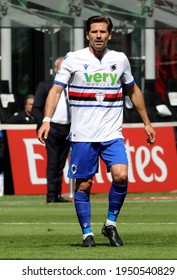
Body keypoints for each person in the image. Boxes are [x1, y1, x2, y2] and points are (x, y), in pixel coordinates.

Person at [37, 15, 156, 247]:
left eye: (103, 32)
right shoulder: (73, 59)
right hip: (83, 135)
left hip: (112, 134)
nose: (99, 35)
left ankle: (110, 224)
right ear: (87, 35)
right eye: (94, 32)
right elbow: (56, 90)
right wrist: (47, 119)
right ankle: (87, 233)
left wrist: (147, 122)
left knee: (121, 175)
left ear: (110, 35)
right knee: (84, 185)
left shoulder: (120, 59)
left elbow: (133, 90)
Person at [32, 57, 71, 203]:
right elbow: (35, 108)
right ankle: (51, 195)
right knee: (53, 162)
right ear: (55, 70)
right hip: (52, 126)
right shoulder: (46, 85)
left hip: (68, 128)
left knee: (61, 162)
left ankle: (57, 194)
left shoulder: (72, 85)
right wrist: (44, 122)